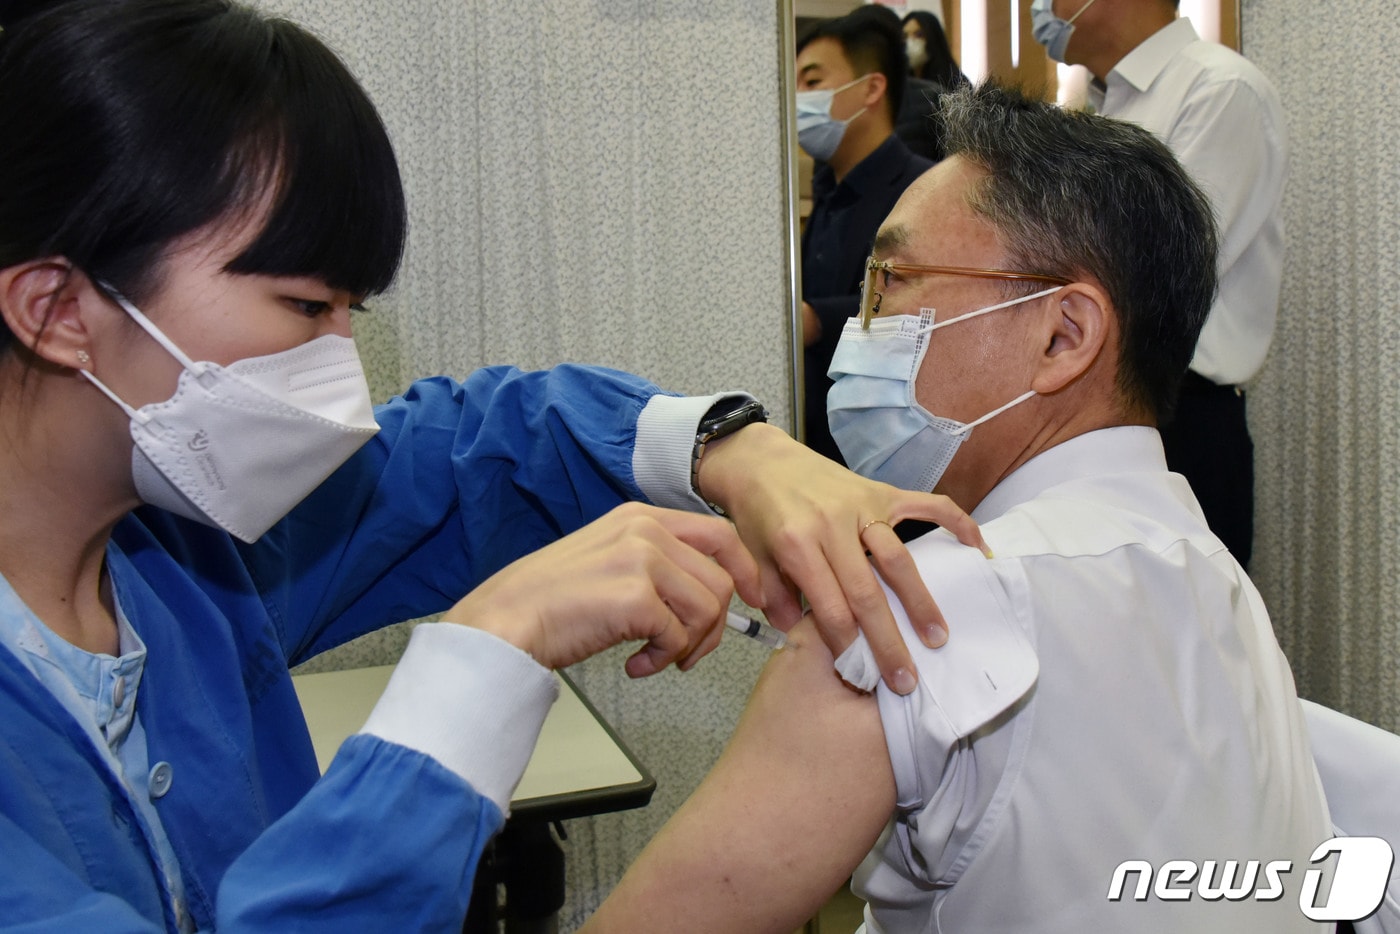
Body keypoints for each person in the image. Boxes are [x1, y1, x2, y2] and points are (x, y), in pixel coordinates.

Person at [0, 1, 990, 930]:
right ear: (54, 308)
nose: (339, 368)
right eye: (305, 308)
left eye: (353, 311)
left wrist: (732, 450)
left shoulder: (181, 563)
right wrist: (482, 657)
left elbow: (475, 445)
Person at [584, 83, 1330, 934]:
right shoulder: (1220, 585)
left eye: (891, 282)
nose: (859, 329)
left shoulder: (922, 608)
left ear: (1064, 335)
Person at [1031, 0, 1287, 569]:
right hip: (1093, 414)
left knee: (1188, 644)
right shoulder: (1098, 107)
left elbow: (1148, 268)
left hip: (1179, 420)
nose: (1040, 7)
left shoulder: (1219, 91)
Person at [796, 10, 933, 465]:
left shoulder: (924, 191)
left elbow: (925, 310)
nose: (798, 99)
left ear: (871, 89)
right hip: (818, 444)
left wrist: (817, 318)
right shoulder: (829, 192)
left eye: (812, 82)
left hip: (888, 454)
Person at [902, 9, 966, 89]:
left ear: (934, 39)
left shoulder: (958, 83)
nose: (910, 42)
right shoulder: (899, 82)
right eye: (905, 36)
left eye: (919, 35)